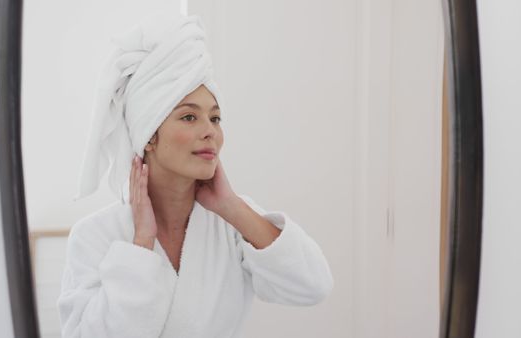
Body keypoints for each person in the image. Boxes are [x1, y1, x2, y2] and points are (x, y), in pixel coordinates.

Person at [57, 12, 333, 338]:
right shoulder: (95, 236)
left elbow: (313, 286)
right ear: (149, 136)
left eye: (215, 119)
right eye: (189, 117)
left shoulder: (230, 224)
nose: (210, 132)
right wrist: (142, 244)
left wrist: (231, 206)